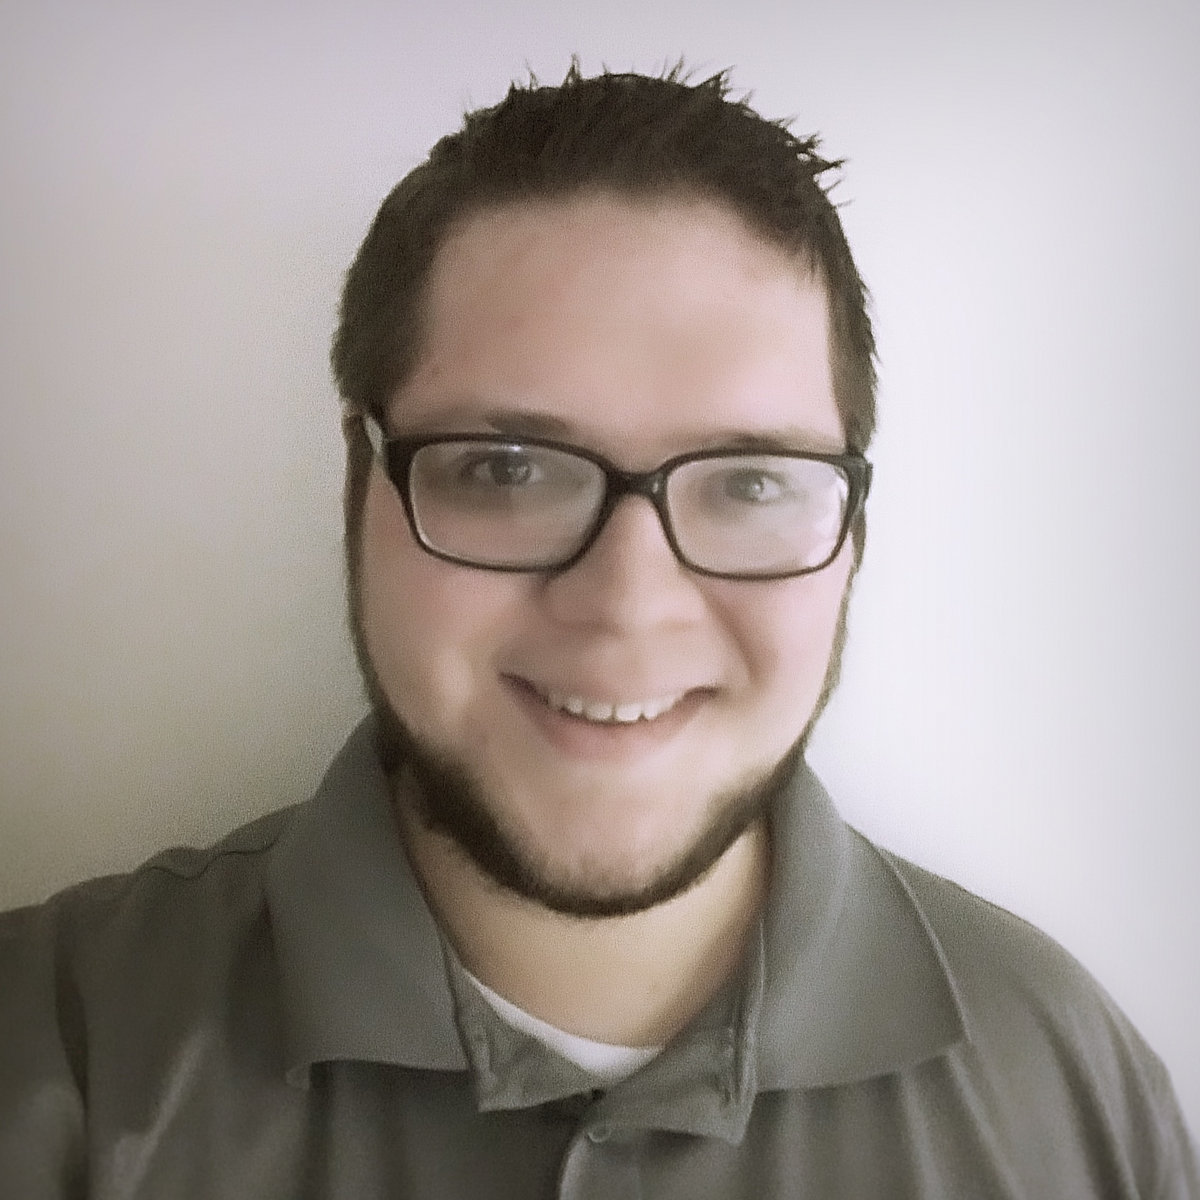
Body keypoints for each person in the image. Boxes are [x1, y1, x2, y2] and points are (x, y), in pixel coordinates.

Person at [0, 63, 1195, 1199]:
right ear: (359, 486)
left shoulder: (1071, 1095)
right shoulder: (54, 1052)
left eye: (749, 481)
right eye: (507, 469)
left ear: (854, 536)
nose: (628, 602)